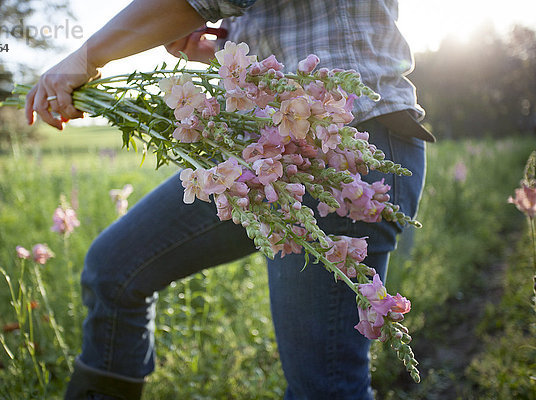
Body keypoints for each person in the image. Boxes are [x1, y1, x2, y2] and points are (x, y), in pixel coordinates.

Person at [25, 1, 433, 399]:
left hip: (345, 145)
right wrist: (223, 54)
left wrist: (87, 56)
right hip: (263, 153)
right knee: (114, 269)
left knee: (323, 385)